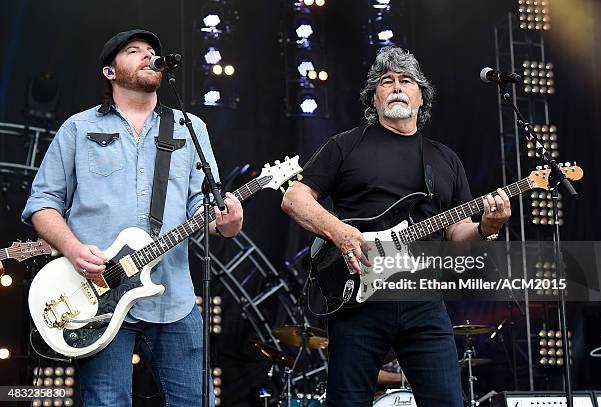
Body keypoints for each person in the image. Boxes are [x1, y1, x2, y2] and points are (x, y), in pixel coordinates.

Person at [21, 29, 243, 406]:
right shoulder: (79, 127)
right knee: (107, 402)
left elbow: (200, 208)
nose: (148, 55)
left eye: (152, 51)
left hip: (173, 295)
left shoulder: (191, 128)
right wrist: (73, 249)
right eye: (134, 51)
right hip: (96, 294)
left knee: (196, 401)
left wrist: (227, 222)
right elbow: (42, 203)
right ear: (110, 72)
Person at [281, 46, 511, 406]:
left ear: (422, 96)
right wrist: (339, 232)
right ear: (373, 98)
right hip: (358, 297)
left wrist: (487, 227)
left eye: (406, 80)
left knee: (447, 400)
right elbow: (294, 198)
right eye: (386, 82)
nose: (397, 86)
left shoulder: (444, 159)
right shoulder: (345, 145)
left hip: (424, 300)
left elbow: (457, 234)